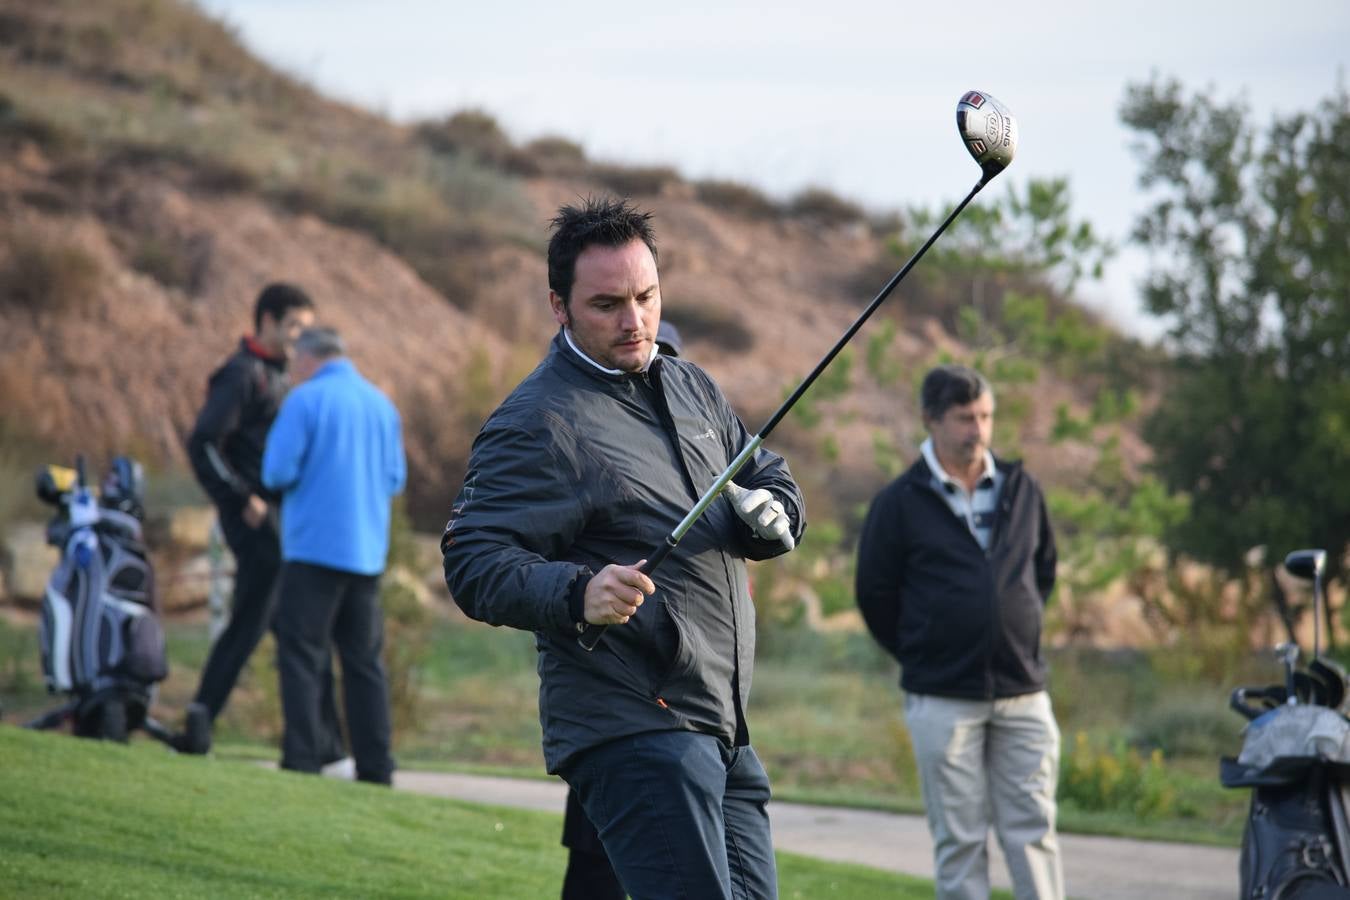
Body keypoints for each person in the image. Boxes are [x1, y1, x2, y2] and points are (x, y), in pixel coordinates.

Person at [442, 196, 805, 900]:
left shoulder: (690, 385)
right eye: (607, 303)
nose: (634, 320)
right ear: (560, 307)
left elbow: (765, 471)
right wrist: (580, 593)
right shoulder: (538, 421)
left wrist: (777, 515)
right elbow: (474, 560)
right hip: (636, 723)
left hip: (721, 722)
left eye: (646, 296)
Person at [855, 364, 1063, 900]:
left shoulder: (1022, 488)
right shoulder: (898, 503)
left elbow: (1042, 573)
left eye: (987, 416)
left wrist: (1015, 631)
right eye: (966, 418)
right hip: (941, 698)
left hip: (1023, 693)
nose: (979, 430)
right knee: (960, 841)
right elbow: (875, 596)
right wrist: (927, 652)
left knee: (1034, 834)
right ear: (931, 419)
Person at [179, 283, 343, 761]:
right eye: (294, 326)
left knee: (285, 628)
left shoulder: (286, 376)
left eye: (307, 330)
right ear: (267, 322)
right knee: (272, 627)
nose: (300, 337)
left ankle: (203, 724)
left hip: (283, 521)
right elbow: (202, 443)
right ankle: (203, 724)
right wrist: (240, 497)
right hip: (256, 522)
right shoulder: (241, 375)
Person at [557, 316, 687, 900]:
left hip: (686, 703)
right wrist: (583, 590)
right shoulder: (576, 425)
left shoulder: (695, 434)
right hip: (610, 691)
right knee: (595, 866)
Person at [262, 327, 405, 785]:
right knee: (364, 664)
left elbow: (276, 471)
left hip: (312, 551)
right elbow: (395, 479)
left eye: (293, 361)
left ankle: (304, 759)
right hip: (366, 554)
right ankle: (376, 766)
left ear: (307, 358)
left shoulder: (304, 401)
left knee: (302, 655)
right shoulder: (381, 405)